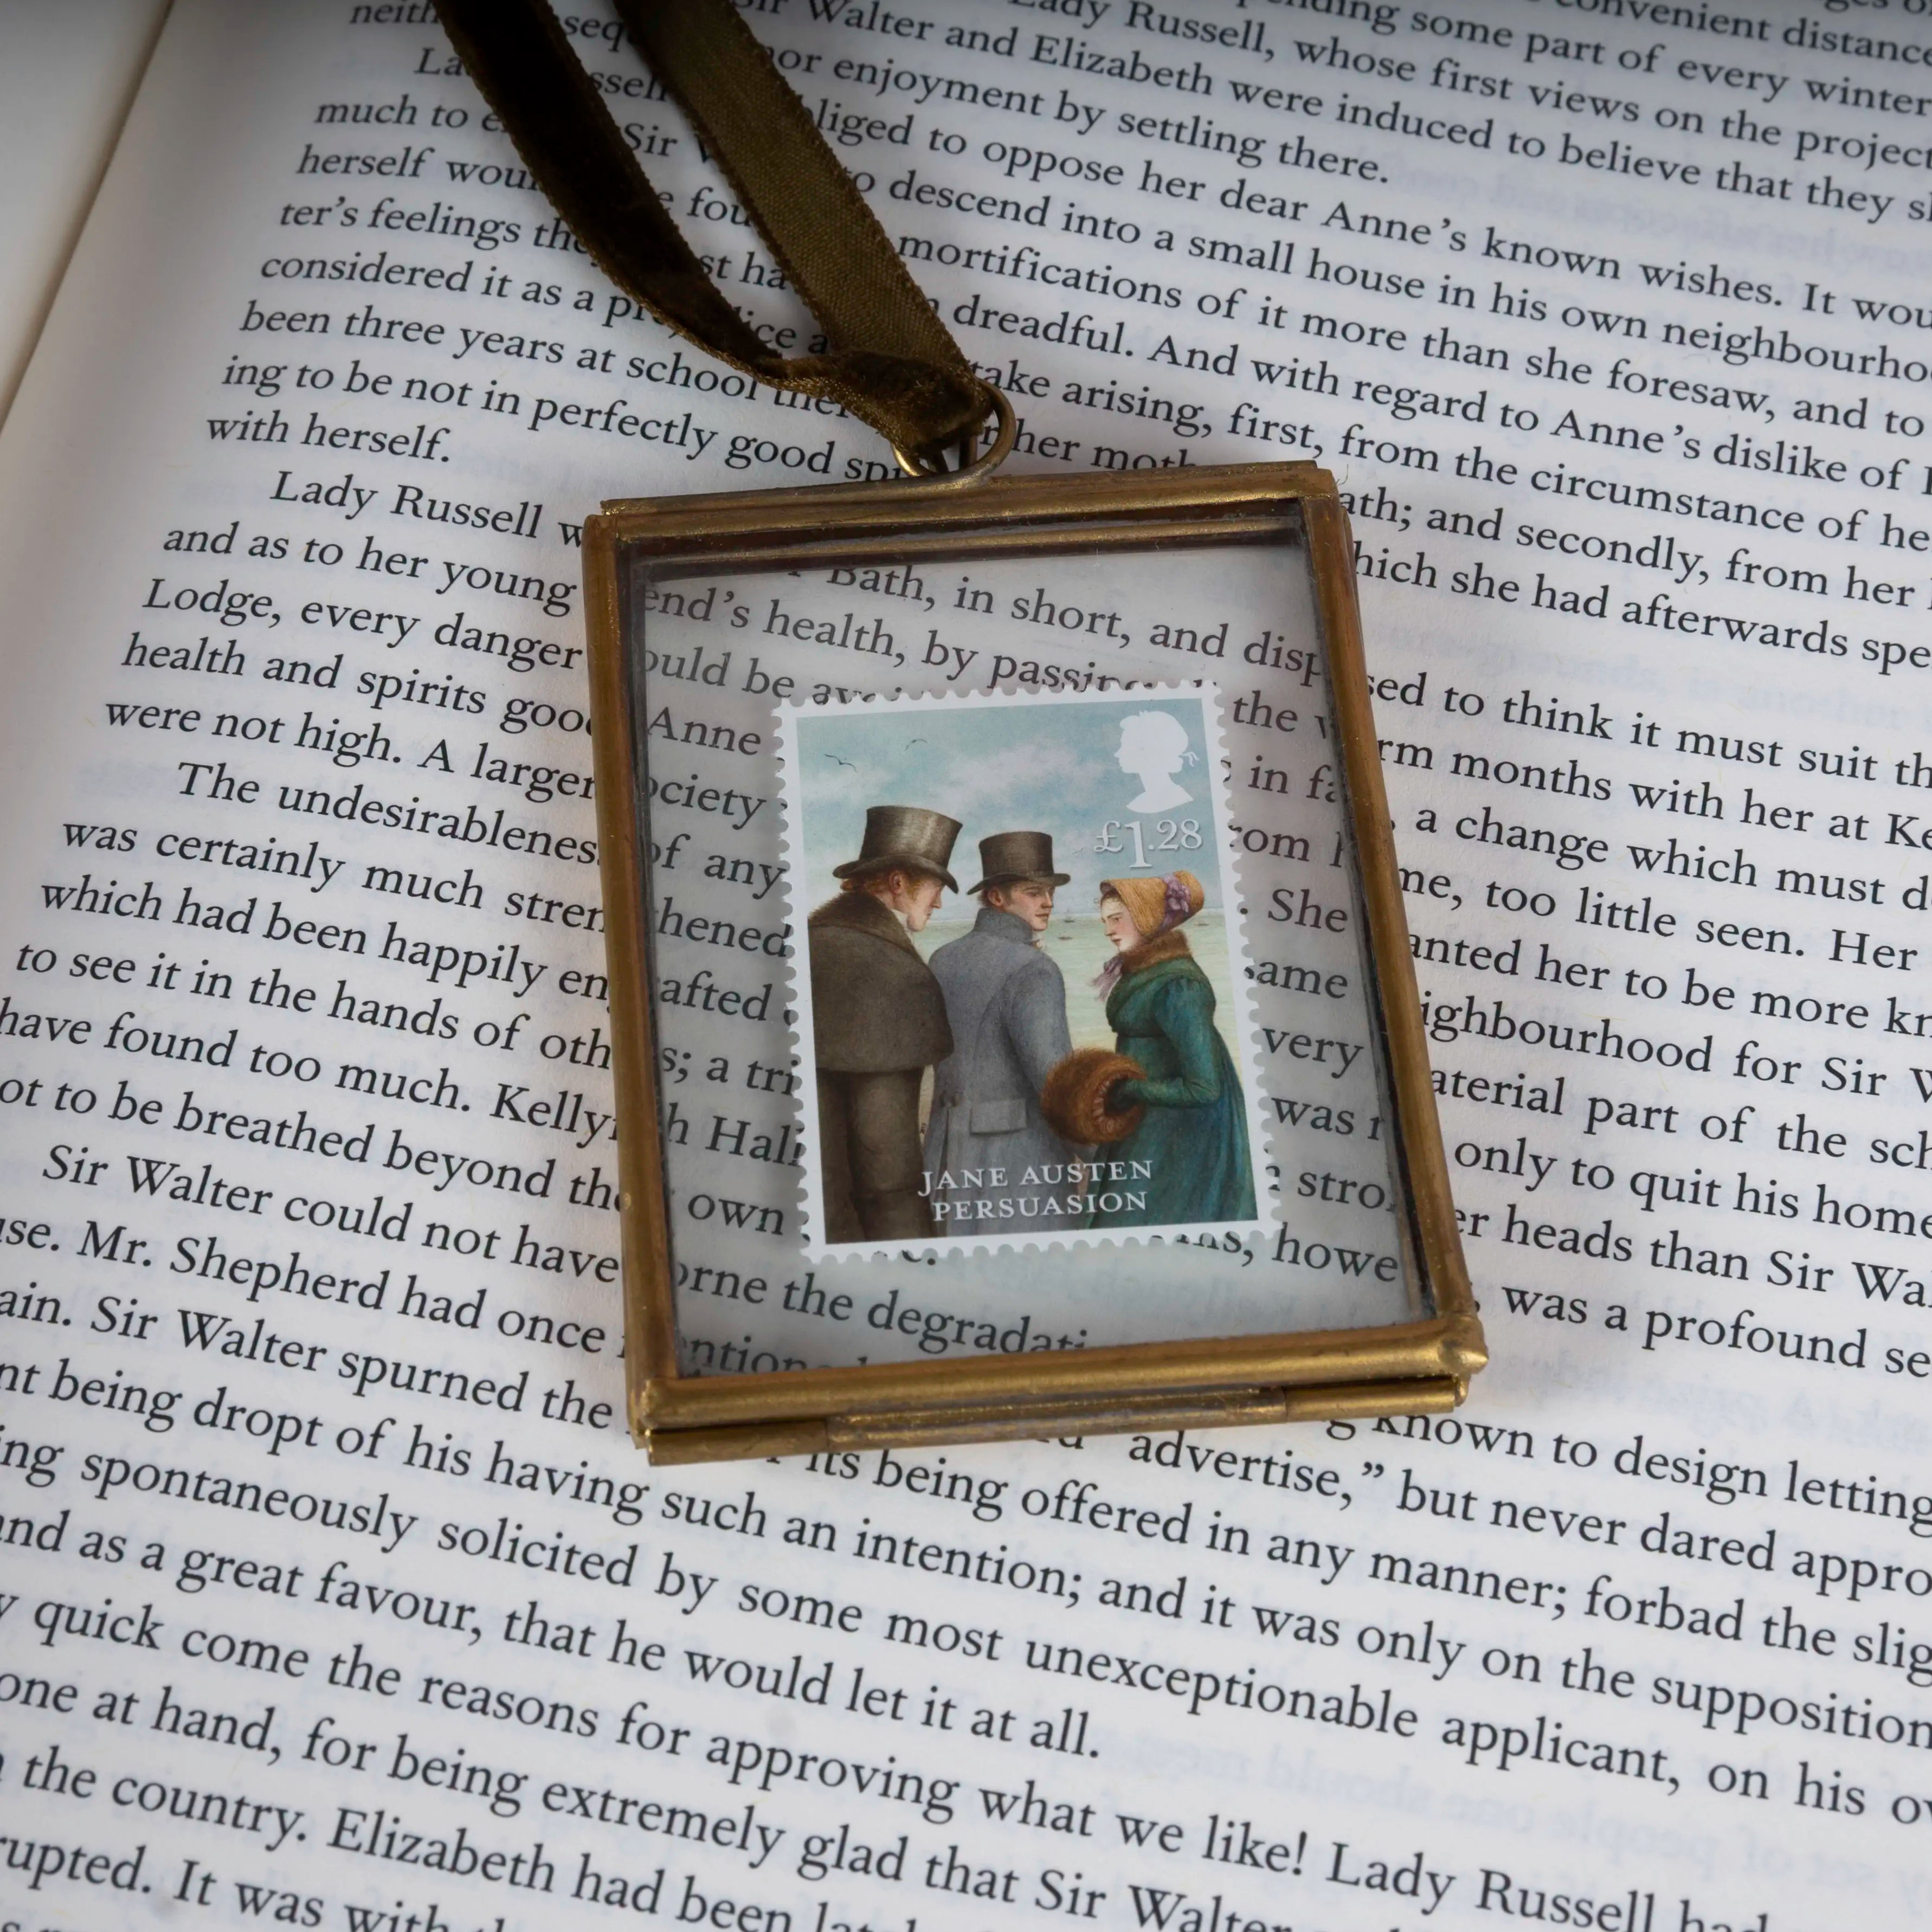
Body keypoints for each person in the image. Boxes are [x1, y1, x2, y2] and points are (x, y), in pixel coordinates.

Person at [807, 805, 959, 1242]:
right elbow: (888, 1179)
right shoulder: (894, 972)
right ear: (898, 884)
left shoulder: (809, 940)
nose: (941, 901)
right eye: (935, 887)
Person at [923, 830, 1085, 1234]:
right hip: (1017, 1159)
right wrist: (1095, 1146)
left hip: (945, 1154)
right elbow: (1056, 1081)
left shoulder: (942, 958)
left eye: (1050, 892)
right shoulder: (1035, 969)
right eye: (1034, 892)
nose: (1048, 902)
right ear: (997, 898)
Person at [1087, 870, 1254, 1227]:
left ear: (1146, 918)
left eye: (1117, 919)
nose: (1108, 930)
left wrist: (1129, 1089)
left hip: (1182, 1137)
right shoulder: (1146, 971)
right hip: (1149, 1122)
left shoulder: (1179, 986)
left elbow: (1204, 1088)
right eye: (1105, 921)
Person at [1115, 709, 1197, 813]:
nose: (1118, 754)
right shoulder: (1140, 802)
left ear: (1150, 752)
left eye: (1126, 746)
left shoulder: (1177, 801)